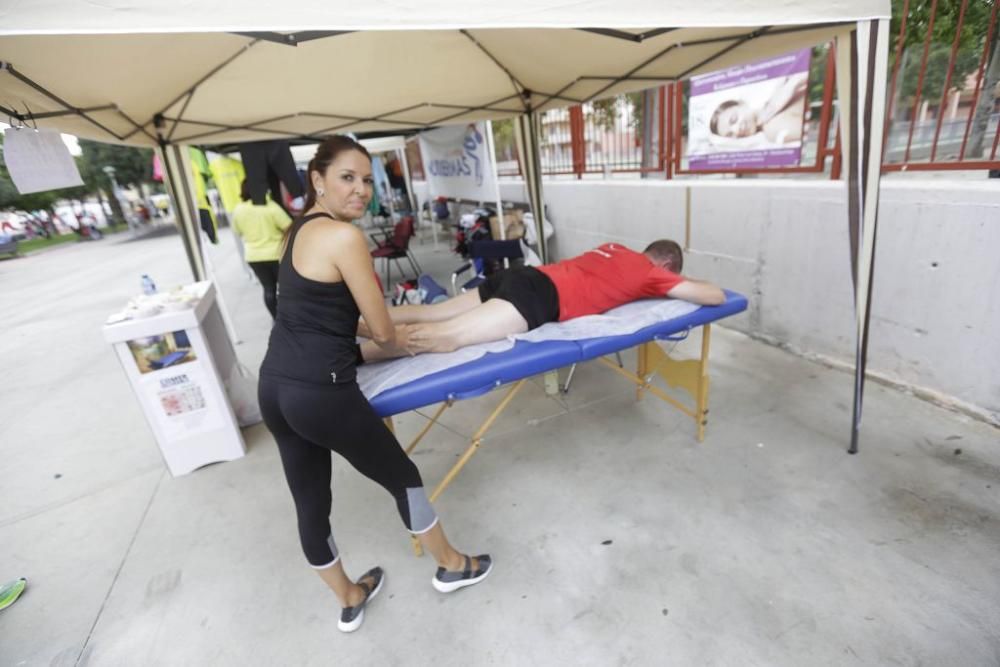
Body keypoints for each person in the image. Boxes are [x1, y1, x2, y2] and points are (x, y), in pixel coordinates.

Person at [257, 136, 491, 634]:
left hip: (274, 388)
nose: (361, 190)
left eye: (366, 180)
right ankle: (451, 563)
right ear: (317, 179)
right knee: (403, 476)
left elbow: (328, 314)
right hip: (322, 393)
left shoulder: (298, 231)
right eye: (347, 178)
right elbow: (380, 327)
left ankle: (348, 597)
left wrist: (380, 329)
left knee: (310, 500)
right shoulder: (345, 238)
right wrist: (405, 337)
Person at [360, 240, 725, 361]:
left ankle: (350, 322)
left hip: (525, 274)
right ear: (666, 266)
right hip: (538, 297)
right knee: (448, 336)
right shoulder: (652, 272)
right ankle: (354, 356)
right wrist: (678, 282)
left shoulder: (614, 249)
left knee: (432, 312)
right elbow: (715, 295)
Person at [231, 180, 293, 319]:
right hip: (276, 254)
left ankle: (276, 319)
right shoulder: (270, 207)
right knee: (286, 290)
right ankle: (291, 318)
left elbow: (238, 230)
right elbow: (289, 227)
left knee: (268, 289)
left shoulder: (239, 209)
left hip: (253, 256)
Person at [709, 74, 809, 144]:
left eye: (733, 119)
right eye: (730, 135)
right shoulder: (771, 130)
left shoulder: (778, 93)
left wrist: (792, 85)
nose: (736, 130)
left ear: (742, 104)